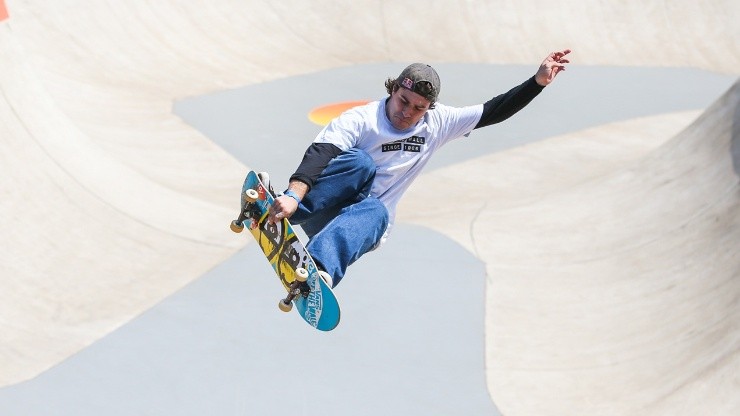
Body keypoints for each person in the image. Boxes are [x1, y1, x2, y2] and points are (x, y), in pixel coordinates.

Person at [267, 49, 571, 288]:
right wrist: (294, 194)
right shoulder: (361, 119)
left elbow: (492, 111)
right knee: (360, 163)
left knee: (377, 210)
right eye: (404, 101)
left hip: (358, 226)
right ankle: (285, 212)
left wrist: (537, 83)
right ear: (394, 89)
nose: (407, 113)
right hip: (324, 208)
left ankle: (318, 269)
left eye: (419, 108)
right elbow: (321, 153)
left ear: (429, 109)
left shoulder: (438, 123)